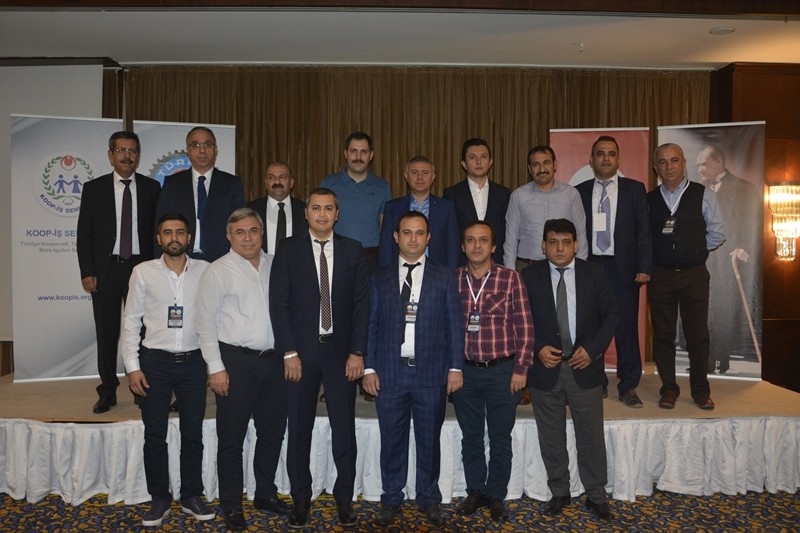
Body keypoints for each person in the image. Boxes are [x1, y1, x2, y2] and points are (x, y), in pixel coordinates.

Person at [269, 188, 369, 529]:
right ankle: (301, 499)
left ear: (337, 214)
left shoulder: (353, 249)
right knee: (299, 429)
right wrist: (289, 351)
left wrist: (357, 351)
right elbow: (279, 303)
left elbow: (362, 304)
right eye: (316, 208)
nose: (322, 214)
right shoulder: (288, 249)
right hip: (301, 354)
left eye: (328, 208)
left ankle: (344, 499)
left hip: (341, 355)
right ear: (306, 213)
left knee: (344, 430)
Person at [363, 211, 465, 528]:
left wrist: (455, 367)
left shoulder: (444, 276)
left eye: (419, 233)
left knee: (428, 440)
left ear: (428, 238)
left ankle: (429, 498)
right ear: (396, 237)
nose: (413, 239)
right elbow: (371, 325)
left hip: (431, 373)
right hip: (389, 372)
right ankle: (391, 497)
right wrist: (368, 368)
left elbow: (454, 326)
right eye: (407, 232)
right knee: (392, 439)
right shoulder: (379, 277)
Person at [196, 208, 289, 532]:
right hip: (236, 363)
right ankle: (232, 505)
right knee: (232, 438)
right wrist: (215, 368)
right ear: (229, 236)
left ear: (262, 233)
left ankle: (265, 494)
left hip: (275, 363)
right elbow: (205, 324)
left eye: (253, 230)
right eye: (240, 232)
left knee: (272, 433)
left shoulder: (277, 264)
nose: (247, 238)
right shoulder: (217, 271)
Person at [520, 218, 619, 521]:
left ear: (576, 245)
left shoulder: (594, 273)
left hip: (584, 365)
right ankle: (559, 491)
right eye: (553, 242)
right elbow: (519, 319)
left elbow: (612, 314)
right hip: (545, 368)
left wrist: (592, 350)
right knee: (551, 435)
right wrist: (537, 347)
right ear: (543, 246)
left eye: (566, 242)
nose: (560, 248)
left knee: (590, 435)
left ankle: (597, 494)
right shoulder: (529, 276)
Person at [121, 212, 213, 527]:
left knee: (193, 435)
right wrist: (132, 367)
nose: (175, 237)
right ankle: (159, 498)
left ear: (189, 237)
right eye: (168, 232)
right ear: (159, 239)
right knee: (155, 436)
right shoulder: (142, 272)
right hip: (154, 363)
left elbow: (214, 318)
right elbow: (131, 322)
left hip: (194, 363)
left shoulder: (206, 270)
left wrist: (214, 363)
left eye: (180, 232)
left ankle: (191, 496)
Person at [451, 221, 535, 522]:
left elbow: (525, 327)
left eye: (483, 240)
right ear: (463, 246)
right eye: (471, 240)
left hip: (503, 372)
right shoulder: (452, 280)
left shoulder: (510, 278)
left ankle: (497, 494)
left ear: (493, 246)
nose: (477, 245)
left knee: (500, 437)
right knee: (471, 436)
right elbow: (444, 329)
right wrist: (450, 369)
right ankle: (476, 491)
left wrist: (521, 369)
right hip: (465, 372)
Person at [77, 130, 161, 414]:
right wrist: (87, 270)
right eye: (121, 150)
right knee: (107, 331)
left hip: (142, 269)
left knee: (143, 332)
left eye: (132, 151)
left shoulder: (152, 188)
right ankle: (108, 391)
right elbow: (84, 234)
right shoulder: (94, 188)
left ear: (139, 156)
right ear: (110, 155)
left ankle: (142, 388)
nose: (127, 156)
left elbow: (157, 232)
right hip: (106, 270)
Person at [576, 135, 652, 407]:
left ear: (619, 159)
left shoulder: (634, 189)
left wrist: (644, 266)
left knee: (626, 328)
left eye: (610, 154)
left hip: (624, 269)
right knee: (591, 327)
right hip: (591, 268)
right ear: (591, 160)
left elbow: (644, 231)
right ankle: (596, 382)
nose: (605, 158)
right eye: (600, 153)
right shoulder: (579, 191)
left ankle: (628, 385)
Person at [648, 143, 725, 410]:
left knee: (698, 336)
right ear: (655, 168)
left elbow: (718, 232)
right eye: (662, 162)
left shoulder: (703, 194)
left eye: (674, 160)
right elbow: (643, 238)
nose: (669, 166)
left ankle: (701, 391)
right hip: (661, 275)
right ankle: (669, 389)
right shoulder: (648, 200)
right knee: (663, 336)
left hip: (694, 274)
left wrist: (694, 250)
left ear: (683, 163)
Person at [696, 144, 762, 374]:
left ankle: (719, 360)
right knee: (702, 309)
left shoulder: (744, 188)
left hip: (729, 261)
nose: (699, 169)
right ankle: (704, 361)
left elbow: (753, 222)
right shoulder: (698, 190)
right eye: (697, 165)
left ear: (719, 162)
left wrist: (744, 246)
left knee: (722, 311)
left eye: (703, 164)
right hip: (702, 260)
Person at [155, 126, 246, 262]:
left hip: (222, 260)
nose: (202, 150)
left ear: (215, 150)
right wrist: (160, 262)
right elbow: (161, 225)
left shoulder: (231, 184)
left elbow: (240, 225)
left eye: (207, 144)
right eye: (195, 145)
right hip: (180, 259)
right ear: (188, 151)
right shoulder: (172, 184)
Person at [504, 145, 588, 270]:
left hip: (562, 266)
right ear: (529, 169)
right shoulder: (518, 196)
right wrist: (510, 270)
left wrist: (580, 267)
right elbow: (511, 236)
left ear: (555, 165)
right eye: (536, 164)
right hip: (527, 266)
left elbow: (580, 232)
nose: (542, 168)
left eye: (546, 162)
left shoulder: (571, 194)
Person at [320, 131, 392, 272]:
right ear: (345, 154)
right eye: (353, 151)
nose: (358, 157)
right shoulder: (328, 184)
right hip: (336, 255)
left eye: (363, 152)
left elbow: (385, 228)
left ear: (371, 155)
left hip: (371, 258)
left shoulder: (382, 187)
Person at [378, 156, 460, 269]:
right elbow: (386, 247)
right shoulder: (392, 208)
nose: (420, 177)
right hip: (400, 271)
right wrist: (385, 273)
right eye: (414, 172)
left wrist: (451, 274)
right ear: (406, 176)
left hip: (437, 272)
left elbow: (452, 247)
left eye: (425, 173)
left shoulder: (446, 207)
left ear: (433, 177)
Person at [443, 138, 511, 265]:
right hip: (462, 263)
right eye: (473, 157)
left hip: (496, 263)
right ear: (464, 164)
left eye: (483, 157)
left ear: (490, 162)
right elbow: (450, 234)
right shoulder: (451, 194)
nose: (478, 161)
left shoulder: (504, 194)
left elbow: (506, 232)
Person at [247, 161, 308, 254]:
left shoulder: (305, 210)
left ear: (291, 183)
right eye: (271, 178)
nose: (277, 182)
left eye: (283, 177)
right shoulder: (250, 210)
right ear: (266, 183)